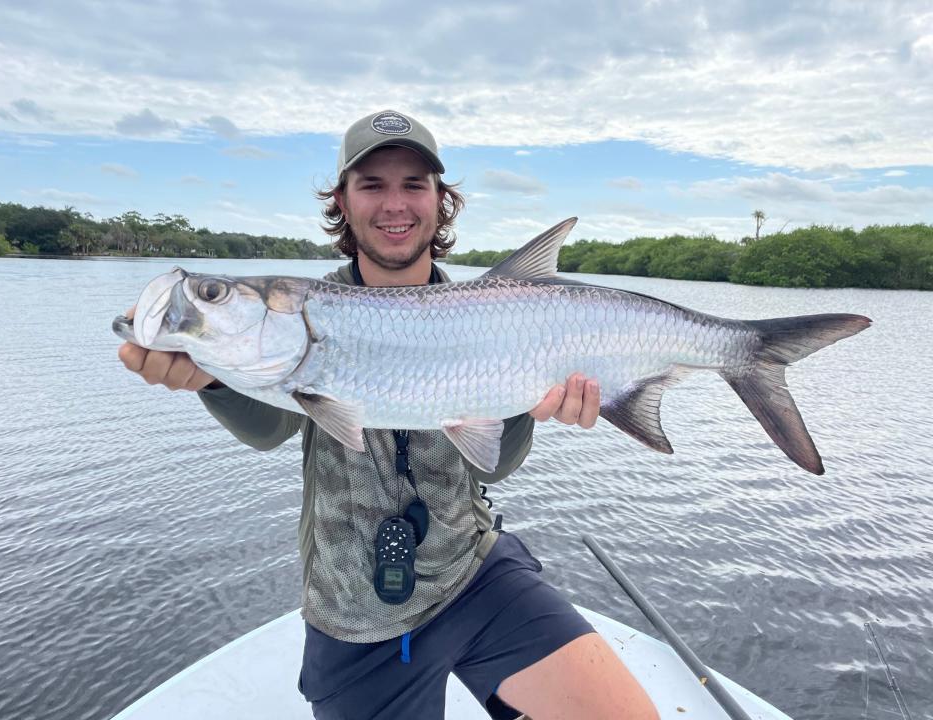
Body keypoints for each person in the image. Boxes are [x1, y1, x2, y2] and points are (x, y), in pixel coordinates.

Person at [118, 110, 658, 720]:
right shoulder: (304, 306)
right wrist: (212, 379)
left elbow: (497, 466)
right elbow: (270, 429)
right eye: (372, 184)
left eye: (414, 184)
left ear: (440, 202)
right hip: (355, 607)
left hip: (473, 568)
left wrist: (528, 405)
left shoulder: (504, 309)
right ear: (342, 203)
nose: (394, 204)